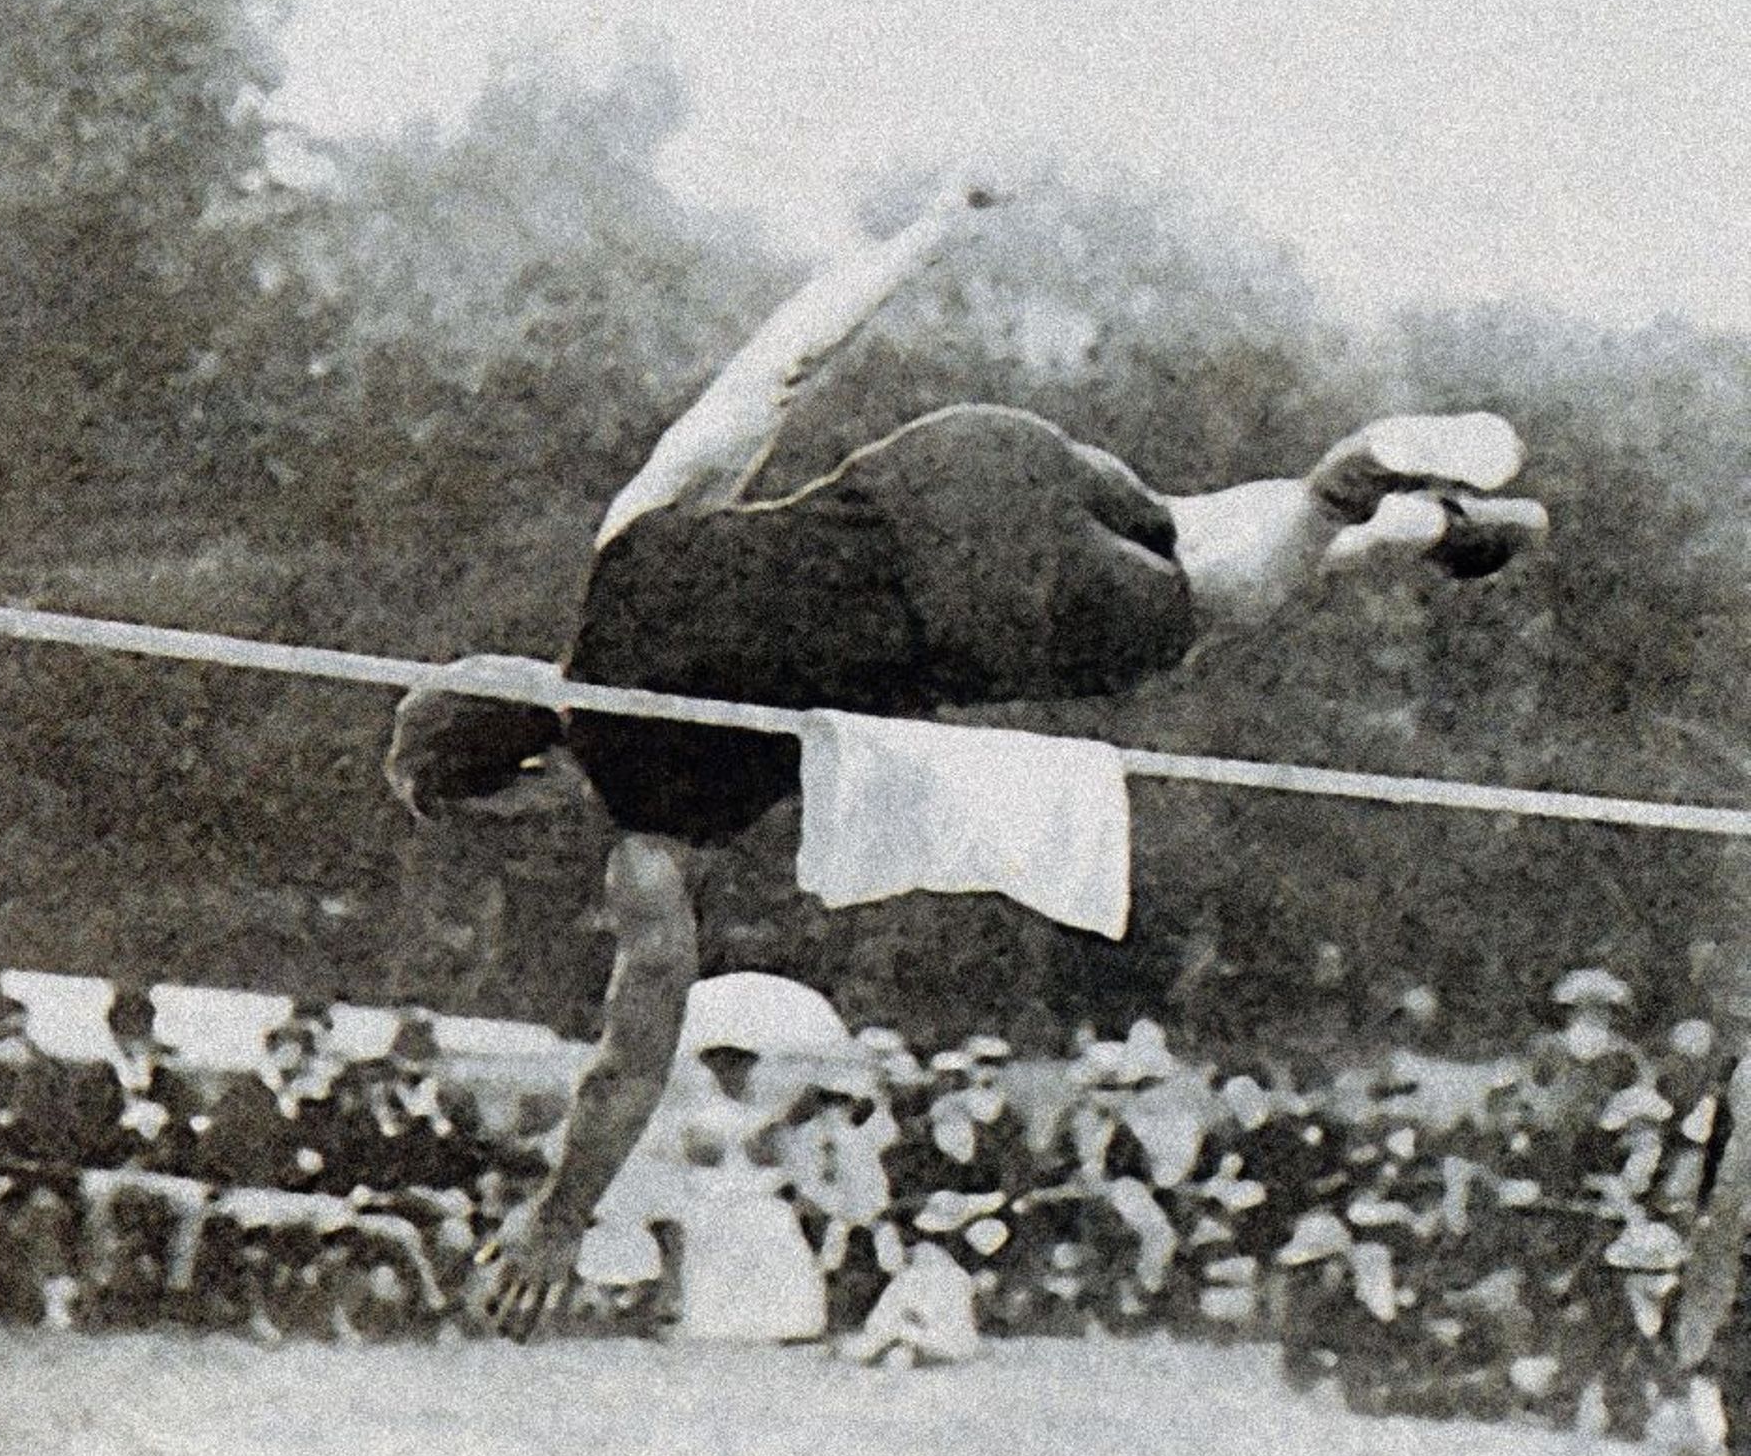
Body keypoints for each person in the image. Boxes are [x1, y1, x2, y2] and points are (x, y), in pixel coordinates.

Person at [387, 182, 1550, 1339]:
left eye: (498, 823)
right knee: (1183, 525)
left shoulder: (650, 843)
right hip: (965, 457)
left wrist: (557, 1214)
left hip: (979, 609)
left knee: (1221, 597)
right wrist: (932, 227)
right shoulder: (628, 544)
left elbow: (627, 1066)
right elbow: (777, 366)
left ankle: (1344, 487)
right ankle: (1431, 528)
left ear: (524, 782)